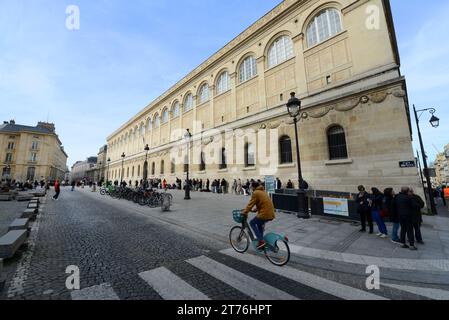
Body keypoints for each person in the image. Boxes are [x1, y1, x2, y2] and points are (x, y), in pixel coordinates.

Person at [242, 182, 276, 250]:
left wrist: (244, 212)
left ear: (254, 187)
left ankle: (261, 241)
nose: (250, 188)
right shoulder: (262, 191)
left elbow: (250, 204)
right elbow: (262, 202)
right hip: (270, 213)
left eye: (251, 187)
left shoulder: (256, 193)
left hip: (265, 213)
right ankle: (261, 240)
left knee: (252, 223)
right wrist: (255, 210)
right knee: (259, 224)